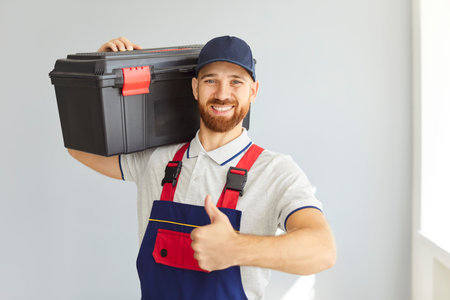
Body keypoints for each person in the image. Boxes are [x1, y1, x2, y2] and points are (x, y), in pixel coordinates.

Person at [68, 35, 336, 300]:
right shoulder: (158, 159)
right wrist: (97, 77)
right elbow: (77, 147)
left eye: (236, 82)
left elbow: (323, 250)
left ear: (253, 91)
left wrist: (235, 248)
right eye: (211, 81)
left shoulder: (275, 171)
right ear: (195, 88)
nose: (222, 94)